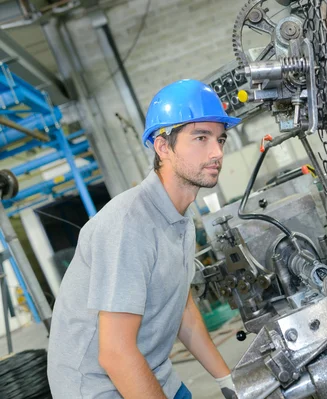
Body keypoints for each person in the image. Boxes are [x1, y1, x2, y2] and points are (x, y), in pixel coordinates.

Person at [47, 79, 241, 399]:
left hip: (153, 370)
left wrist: (227, 380)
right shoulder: (128, 226)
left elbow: (181, 306)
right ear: (163, 146)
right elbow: (116, 355)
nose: (217, 151)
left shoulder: (180, 219)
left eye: (220, 139)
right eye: (201, 138)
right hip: (97, 387)